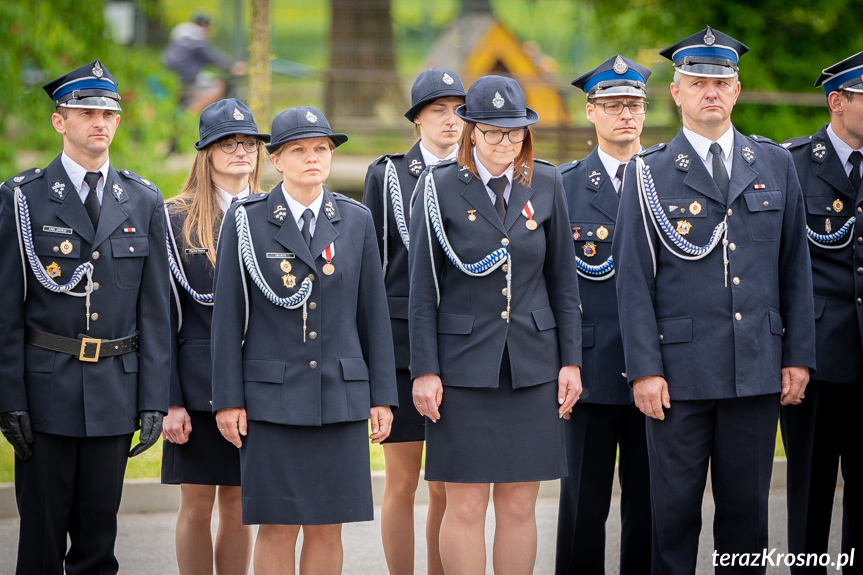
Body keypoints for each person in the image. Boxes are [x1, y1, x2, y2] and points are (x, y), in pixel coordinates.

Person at [612, 27, 816, 575]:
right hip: (677, 373)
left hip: (755, 368)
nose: (711, 91)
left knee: (747, 518)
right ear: (676, 93)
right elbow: (632, 282)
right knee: (672, 517)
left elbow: (795, 269)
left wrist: (797, 356)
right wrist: (644, 372)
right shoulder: (648, 172)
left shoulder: (774, 165)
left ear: (737, 90)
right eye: (698, 82)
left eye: (721, 82)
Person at [210, 106, 398, 575]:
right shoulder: (247, 221)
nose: (313, 158)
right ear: (275, 159)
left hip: (340, 397)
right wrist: (227, 401)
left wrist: (382, 397)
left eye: (321, 149)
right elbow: (228, 319)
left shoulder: (354, 220)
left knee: (328, 527)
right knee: (276, 526)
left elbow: (373, 314)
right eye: (299, 150)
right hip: (273, 401)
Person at [0, 60, 171, 574]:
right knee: (42, 539)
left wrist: (153, 399)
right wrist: (8, 398)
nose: (101, 122)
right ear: (60, 122)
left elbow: (156, 312)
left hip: (113, 391)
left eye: (109, 114)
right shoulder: (21, 199)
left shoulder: (141, 199)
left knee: (100, 540)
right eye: (87, 112)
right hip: (45, 389)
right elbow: (6, 309)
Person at [409, 75, 583, 575]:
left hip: (533, 365)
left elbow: (564, 285)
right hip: (462, 370)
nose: (505, 143)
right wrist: (425, 369)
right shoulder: (438, 186)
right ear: (470, 131)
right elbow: (424, 290)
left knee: (517, 504)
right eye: (492, 133)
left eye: (515, 133)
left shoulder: (546, 182)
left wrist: (570, 362)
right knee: (464, 506)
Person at [362, 66, 465, 575]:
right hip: (402, 345)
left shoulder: (476, 173)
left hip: (463, 344)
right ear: (417, 120)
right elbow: (375, 271)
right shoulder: (387, 176)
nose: (451, 121)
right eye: (438, 111)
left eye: (458, 111)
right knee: (403, 480)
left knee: (448, 482)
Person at [161, 98, 270, 575]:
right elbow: (161, 316)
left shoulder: (271, 212)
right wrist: (170, 400)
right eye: (228, 142)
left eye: (248, 142)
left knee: (241, 503)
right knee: (198, 503)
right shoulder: (174, 217)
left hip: (257, 382)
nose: (241, 151)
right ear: (205, 151)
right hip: (197, 383)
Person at [555, 54, 652, 575]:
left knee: (653, 503)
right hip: (588, 369)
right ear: (591, 112)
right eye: (613, 105)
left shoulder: (665, 179)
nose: (625, 115)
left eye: (634, 104)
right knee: (582, 505)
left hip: (656, 367)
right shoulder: (563, 186)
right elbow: (551, 286)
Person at [780, 51, 862, 573]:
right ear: (837, 103)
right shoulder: (791, 163)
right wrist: (791, 354)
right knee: (809, 486)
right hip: (814, 359)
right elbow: (779, 266)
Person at [162, 13, 246, 112]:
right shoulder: (196, 33)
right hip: (186, 75)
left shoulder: (183, 30)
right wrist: (231, 66)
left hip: (172, 71)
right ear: (204, 24)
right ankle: (189, 114)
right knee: (219, 86)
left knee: (208, 79)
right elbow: (210, 56)